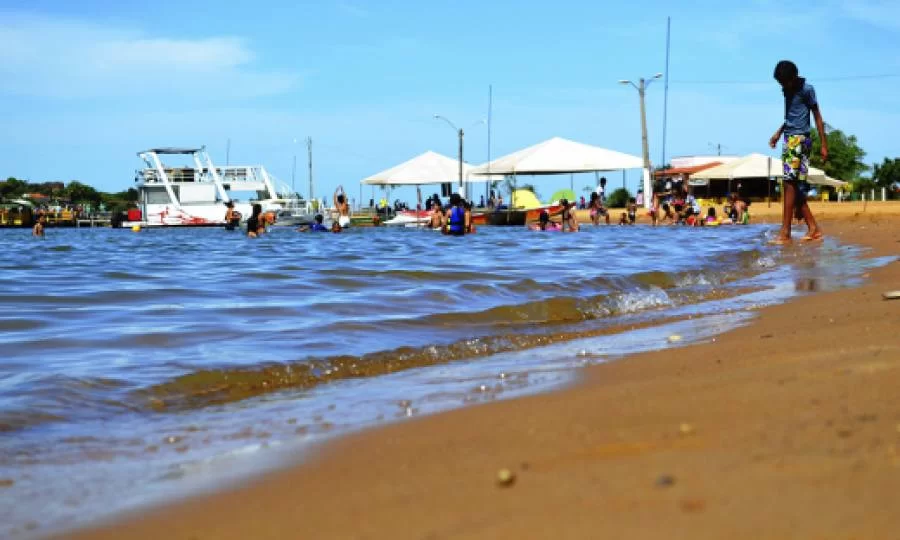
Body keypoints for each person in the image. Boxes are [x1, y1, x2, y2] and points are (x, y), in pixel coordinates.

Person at [769, 60, 826, 244]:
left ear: (793, 77)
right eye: (780, 83)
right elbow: (790, 117)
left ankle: (785, 233)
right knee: (795, 188)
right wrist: (778, 133)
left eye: (784, 82)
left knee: (789, 184)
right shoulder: (787, 90)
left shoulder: (807, 90)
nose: (782, 86)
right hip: (790, 138)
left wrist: (824, 144)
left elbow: (817, 117)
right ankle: (813, 228)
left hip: (799, 139)